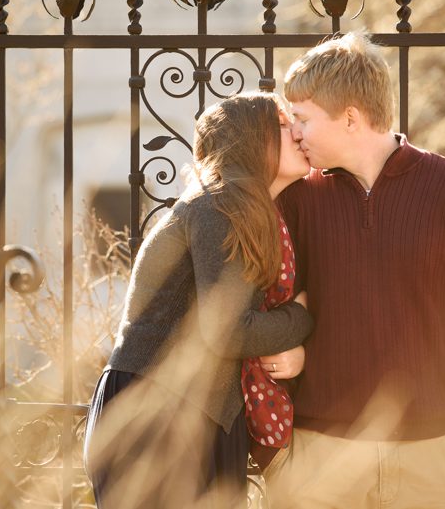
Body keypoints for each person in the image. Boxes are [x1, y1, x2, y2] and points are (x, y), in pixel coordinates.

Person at [263, 32, 445, 509]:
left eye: (301, 118)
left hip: (439, 464)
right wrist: (276, 460)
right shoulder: (296, 202)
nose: (293, 132)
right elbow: (263, 311)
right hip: (318, 464)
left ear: (350, 118)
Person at [83, 91, 314, 509]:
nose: (297, 133)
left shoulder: (246, 208)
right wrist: (301, 317)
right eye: (282, 124)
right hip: (153, 418)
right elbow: (226, 332)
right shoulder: (218, 205)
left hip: (197, 415)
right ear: (251, 138)